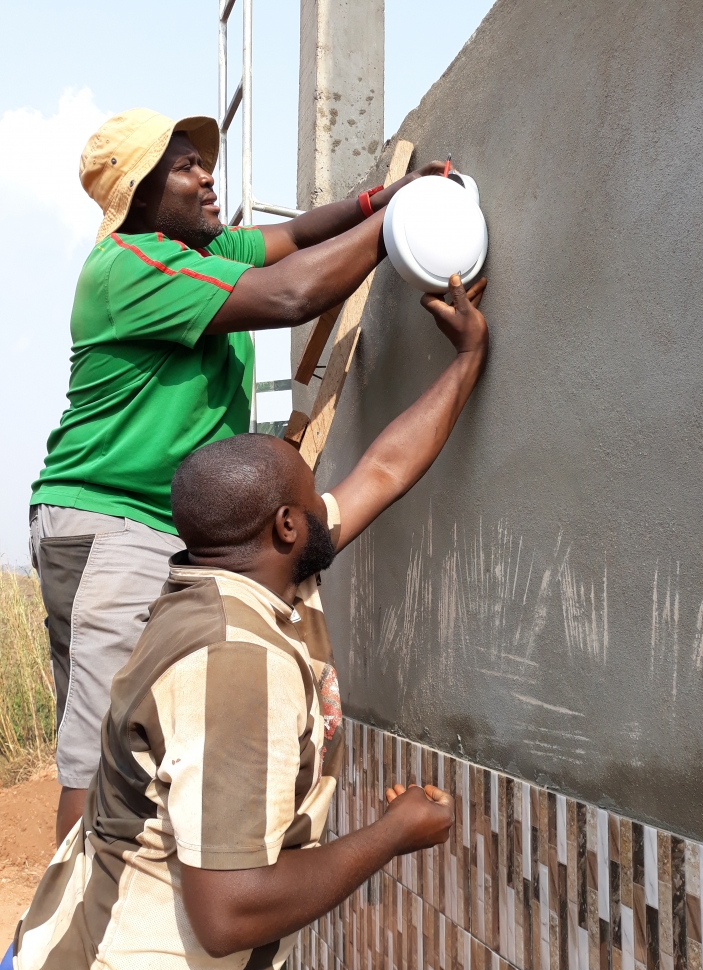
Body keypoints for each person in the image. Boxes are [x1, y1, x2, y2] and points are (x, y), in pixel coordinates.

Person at [2, 270, 489, 970]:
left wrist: (466, 358)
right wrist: (393, 835)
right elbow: (228, 912)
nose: (328, 502)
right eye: (312, 495)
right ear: (288, 528)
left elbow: (384, 470)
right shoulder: (235, 661)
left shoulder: (231, 577)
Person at [28, 107, 451, 846]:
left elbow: (295, 238)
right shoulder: (130, 266)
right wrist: (404, 224)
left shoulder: (199, 248)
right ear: (140, 194)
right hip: (112, 523)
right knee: (100, 757)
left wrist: (375, 201)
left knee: (149, 734)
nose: (207, 176)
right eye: (184, 167)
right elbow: (292, 293)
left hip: (162, 527)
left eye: (202, 162)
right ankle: (76, 912)